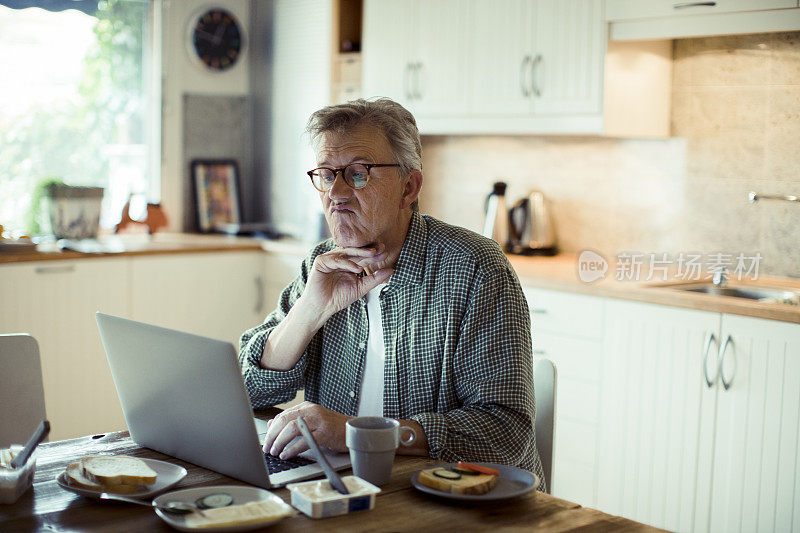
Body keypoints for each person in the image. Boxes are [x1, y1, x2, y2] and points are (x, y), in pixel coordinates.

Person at [238, 98, 545, 490]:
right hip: (346, 490)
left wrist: (357, 432)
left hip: (457, 504)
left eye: (358, 173)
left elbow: (505, 434)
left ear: (409, 186)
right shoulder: (322, 264)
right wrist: (309, 310)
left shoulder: (475, 269)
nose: (337, 193)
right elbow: (247, 389)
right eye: (327, 175)